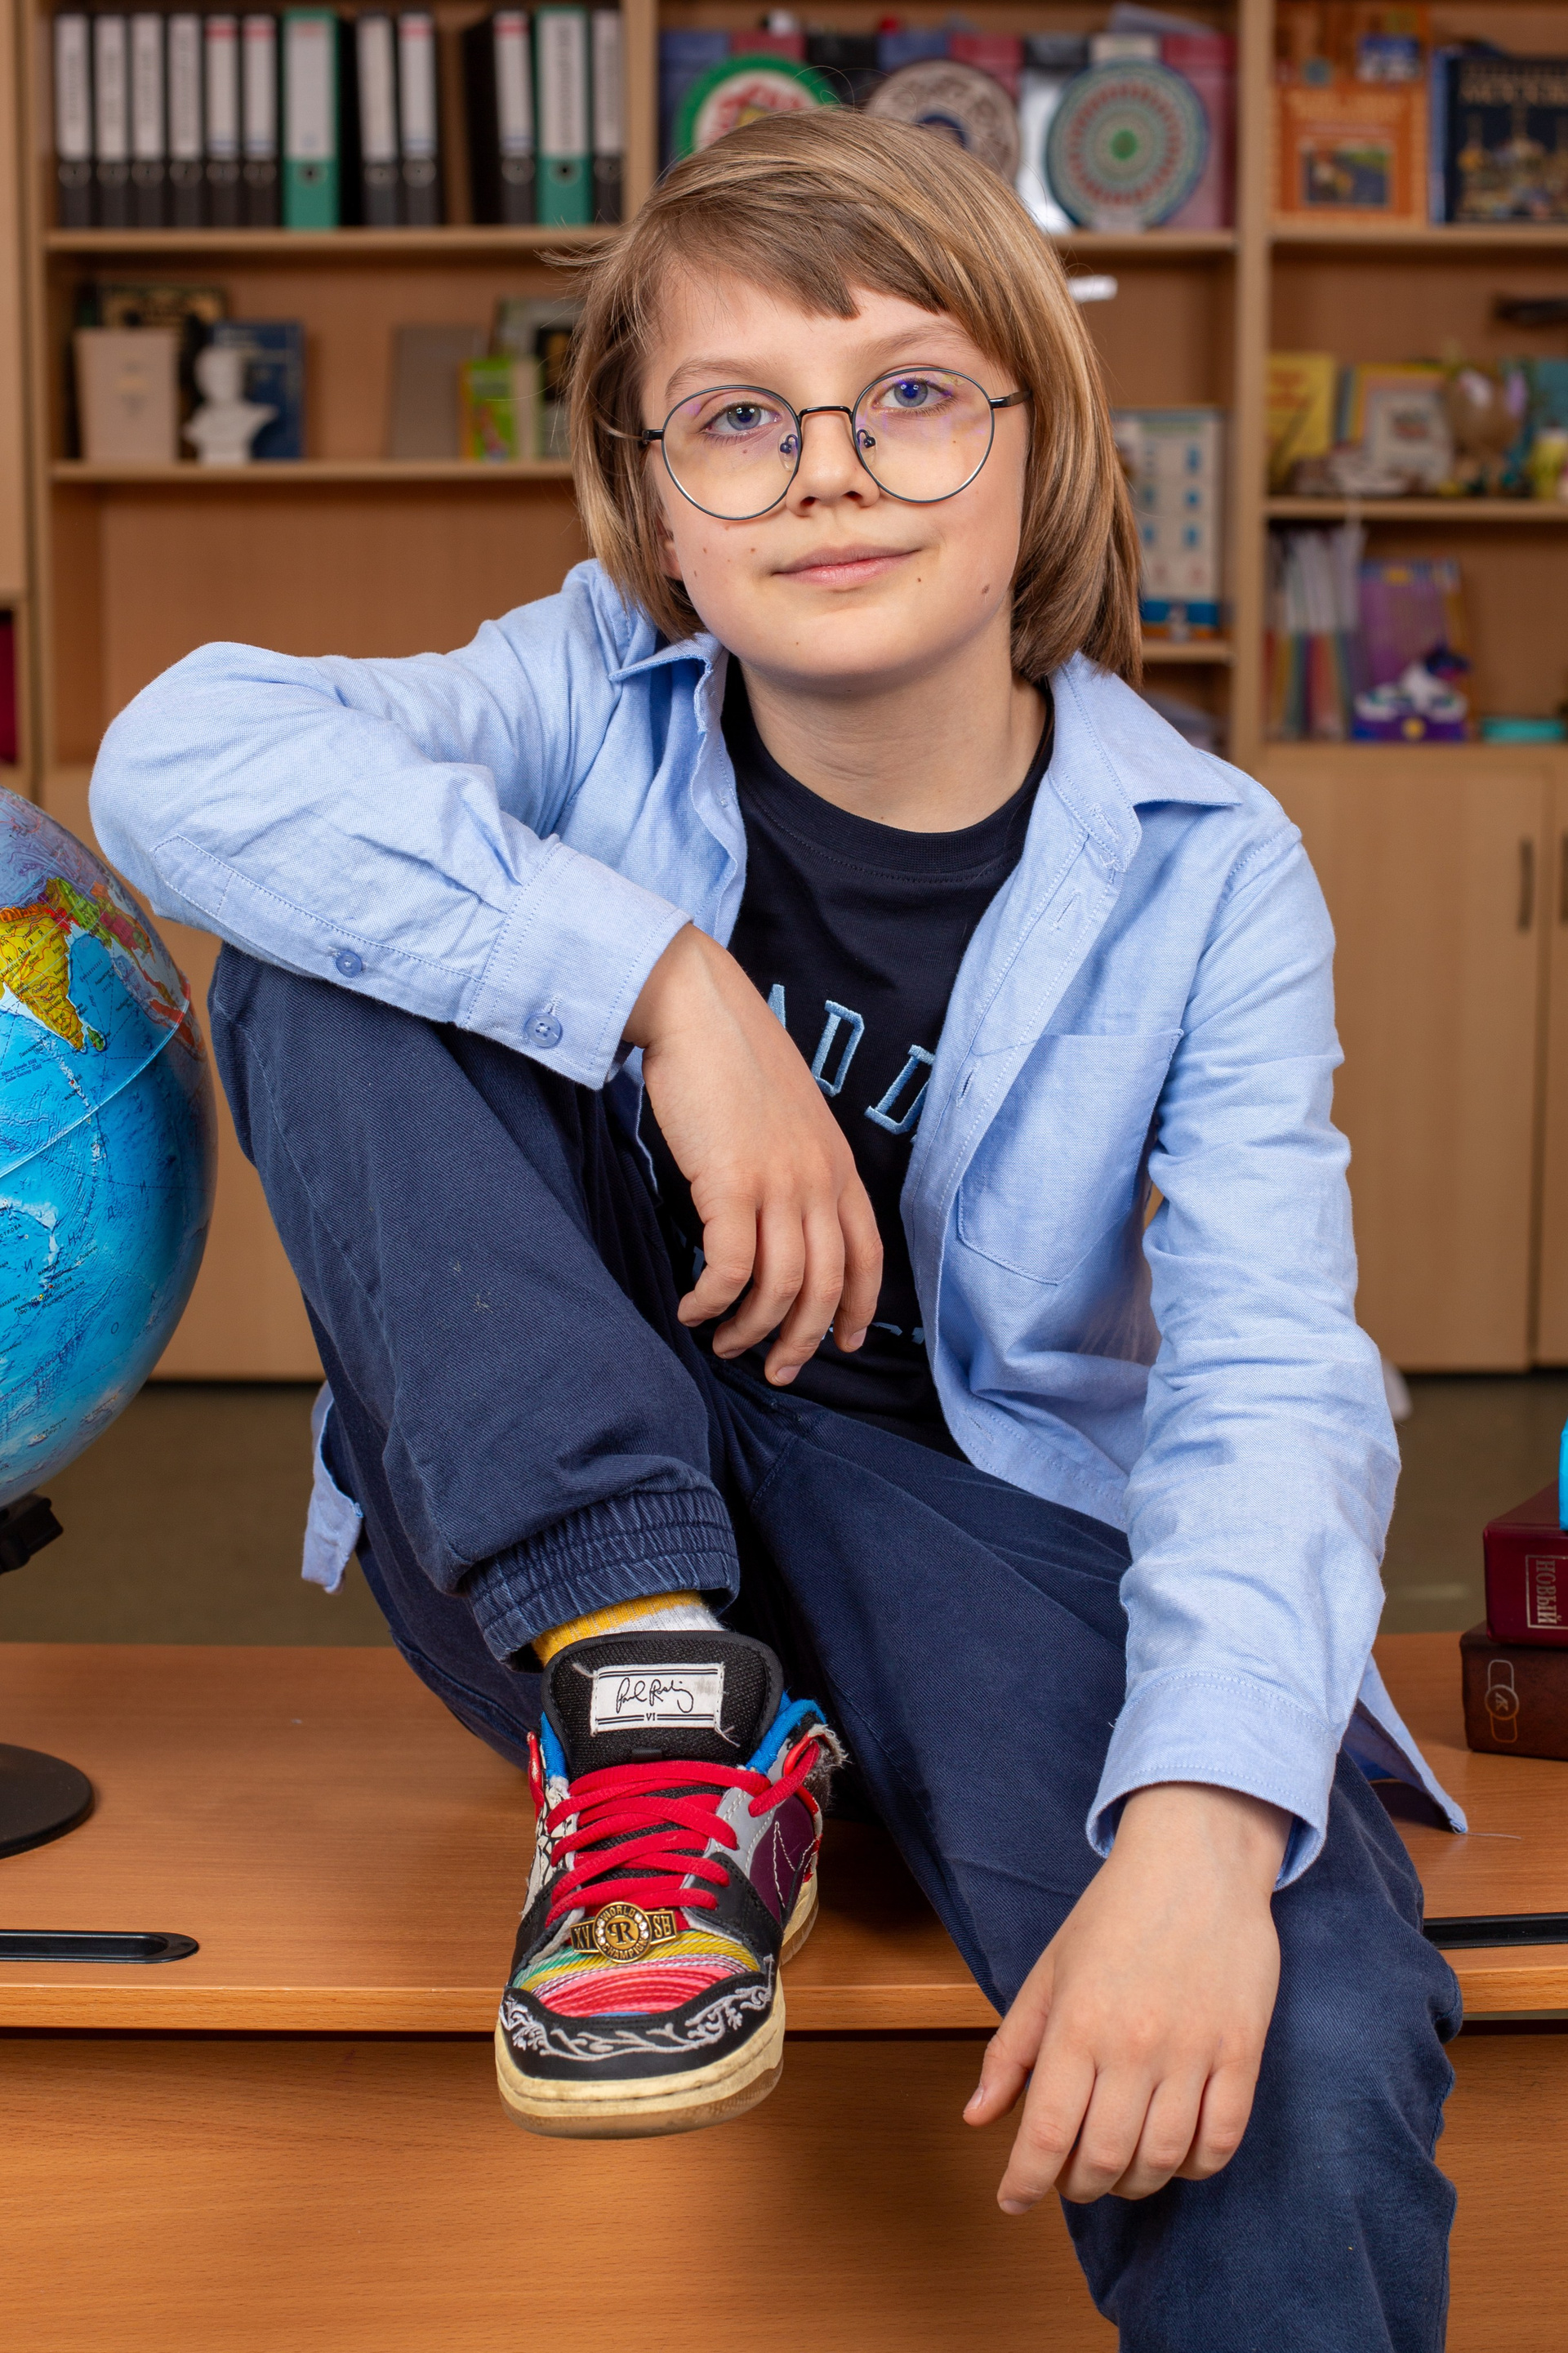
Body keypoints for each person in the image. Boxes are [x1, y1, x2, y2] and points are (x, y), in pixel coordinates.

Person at [91, 113, 1464, 2350]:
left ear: (1040, 442)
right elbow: (182, 763)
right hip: (571, 1538)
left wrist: (1209, 1834)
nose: (829, 473)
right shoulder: (576, 697)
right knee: (326, 949)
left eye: (909, 394)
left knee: (1298, 2034)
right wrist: (665, 983)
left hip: (972, 1549)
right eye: (739, 419)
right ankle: (656, 1713)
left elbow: (1269, 1371)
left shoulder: (1208, 865)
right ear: (657, 504)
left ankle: (796, 1754)